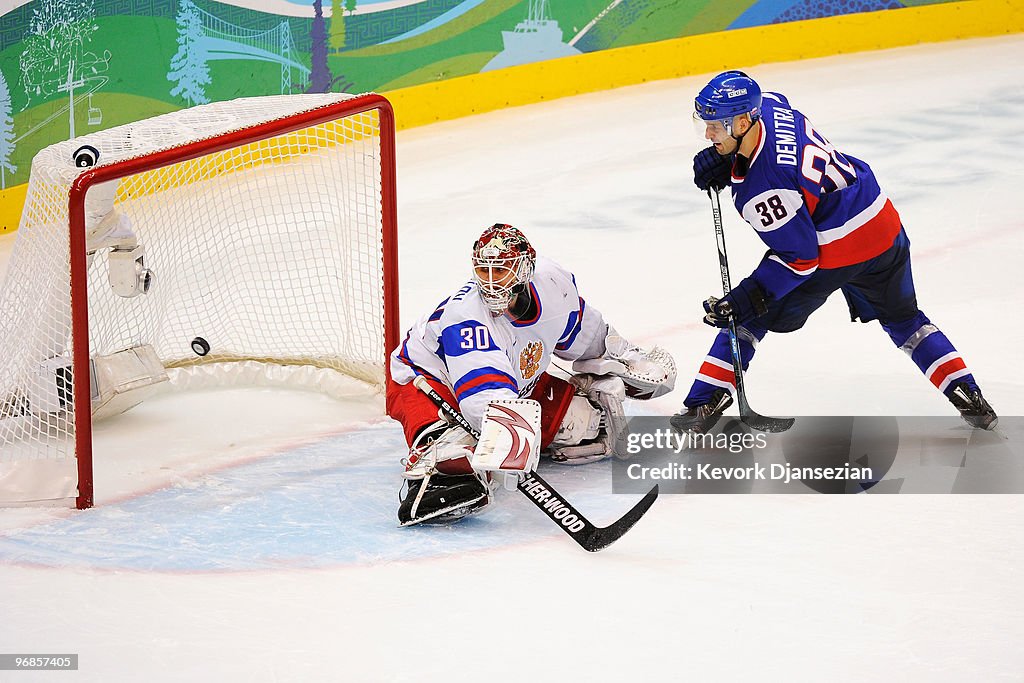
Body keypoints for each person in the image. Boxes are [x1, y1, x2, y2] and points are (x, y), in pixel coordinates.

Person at [673, 71, 997, 433]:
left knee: (748, 318)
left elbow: (801, 258)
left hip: (837, 247)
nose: (708, 134)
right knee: (905, 319)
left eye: (716, 126)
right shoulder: (774, 107)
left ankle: (704, 402)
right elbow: (773, 115)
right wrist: (731, 158)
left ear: (744, 120)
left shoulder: (762, 190)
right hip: (881, 222)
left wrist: (746, 297)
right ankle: (968, 395)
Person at [387, 223, 677, 526]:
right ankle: (434, 472)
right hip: (426, 380)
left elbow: (584, 337)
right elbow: (484, 397)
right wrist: (508, 439)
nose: (490, 283)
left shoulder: (553, 284)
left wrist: (625, 359)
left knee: (582, 426)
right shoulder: (467, 318)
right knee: (460, 459)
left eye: (500, 271)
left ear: (525, 269)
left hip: (514, 382)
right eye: (483, 271)